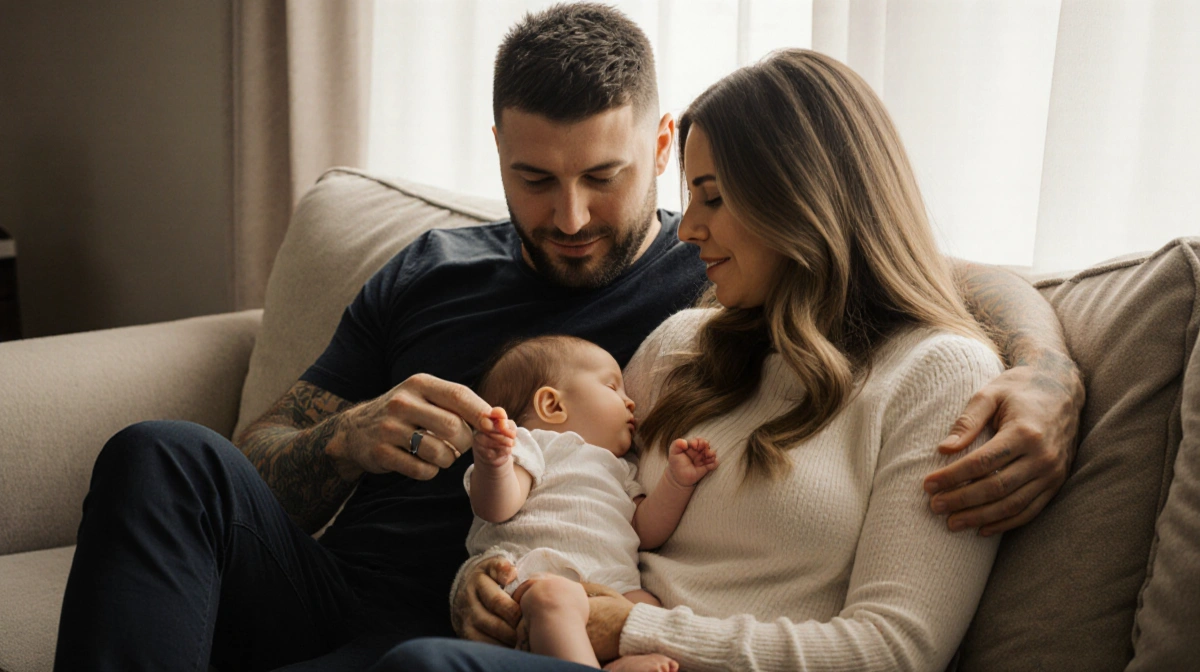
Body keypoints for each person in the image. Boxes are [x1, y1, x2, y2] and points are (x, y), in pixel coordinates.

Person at [53, 4, 1082, 671]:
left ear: (661, 146)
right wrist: (348, 436)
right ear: (495, 149)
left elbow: (917, 279)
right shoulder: (438, 269)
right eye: (535, 180)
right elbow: (263, 448)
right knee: (160, 454)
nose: (574, 217)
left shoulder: (708, 281)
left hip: (531, 625)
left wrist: (1044, 372)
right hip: (366, 593)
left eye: (608, 177)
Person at [377, 46, 1011, 672]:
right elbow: (573, 499)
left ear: (802, 198)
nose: (686, 229)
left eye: (712, 197)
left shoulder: (941, 376)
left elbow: (898, 652)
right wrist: (483, 584)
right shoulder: (681, 342)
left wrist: (631, 627)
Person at [466, 335, 718, 671]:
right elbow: (497, 507)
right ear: (552, 406)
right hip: (535, 582)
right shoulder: (535, 445)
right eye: (613, 388)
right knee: (553, 600)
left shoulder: (623, 468)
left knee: (648, 606)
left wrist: (675, 482)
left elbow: (644, 530)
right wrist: (494, 464)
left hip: (610, 590)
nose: (631, 404)